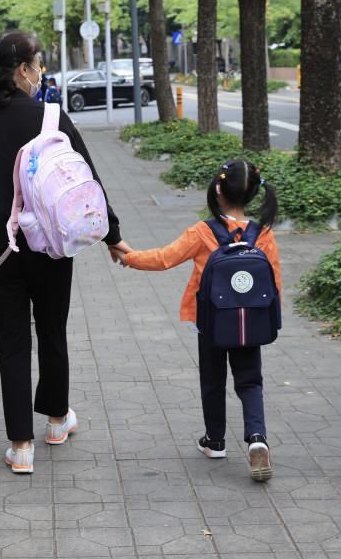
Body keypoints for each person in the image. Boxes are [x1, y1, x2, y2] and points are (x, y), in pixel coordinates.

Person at [0, 30, 131, 474]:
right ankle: (56, 420)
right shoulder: (51, 116)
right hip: (50, 248)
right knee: (52, 331)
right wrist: (113, 237)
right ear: (22, 70)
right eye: (37, 66)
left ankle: (21, 447)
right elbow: (86, 181)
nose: (40, 74)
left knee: (12, 344)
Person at [113, 160, 281, 482]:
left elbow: (164, 258)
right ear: (253, 195)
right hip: (251, 323)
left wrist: (128, 257)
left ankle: (215, 441)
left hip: (212, 322)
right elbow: (274, 283)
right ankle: (257, 438)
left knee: (213, 380)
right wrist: (270, 321)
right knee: (250, 381)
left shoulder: (203, 232)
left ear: (218, 190)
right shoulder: (264, 235)